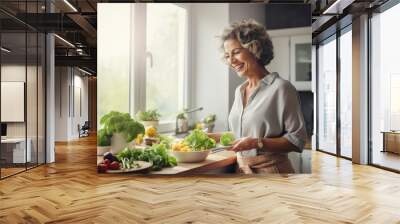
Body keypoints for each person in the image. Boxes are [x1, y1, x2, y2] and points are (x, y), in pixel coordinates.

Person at [209, 19, 307, 174]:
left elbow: (297, 140)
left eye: (236, 52)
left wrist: (257, 143)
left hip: (272, 173)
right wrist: (210, 137)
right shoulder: (239, 90)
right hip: (241, 171)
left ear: (255, 49)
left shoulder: (281, 88)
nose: (231, 61)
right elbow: (241, 135)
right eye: (227, 55)